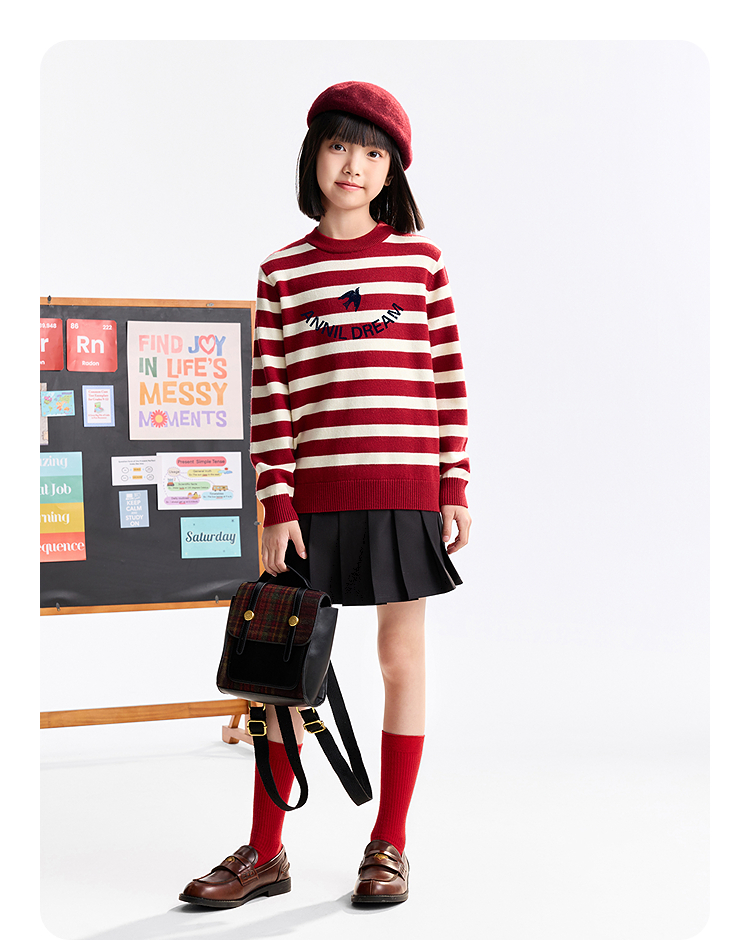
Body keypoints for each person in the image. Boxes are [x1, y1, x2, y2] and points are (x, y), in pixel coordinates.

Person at [180, 80, 471, 909]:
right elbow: (269, 396)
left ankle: (390, 842)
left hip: (405, 490)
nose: (355, 164)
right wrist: (275, 500)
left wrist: (454, 481)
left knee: (400, 660)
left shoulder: (421, 262)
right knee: (281, 673)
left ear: (392, 171)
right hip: (310, 504)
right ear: (314, 154)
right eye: (341, 145)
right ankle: (266, 850)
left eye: (373, 152)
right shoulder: (282, 270)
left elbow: (448, 378)